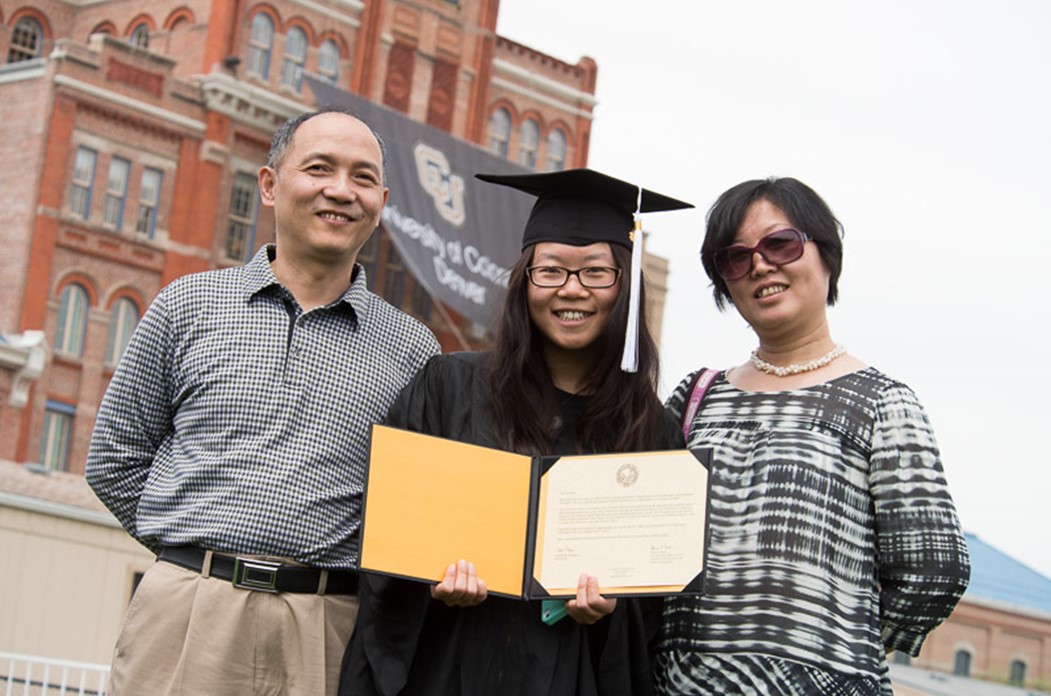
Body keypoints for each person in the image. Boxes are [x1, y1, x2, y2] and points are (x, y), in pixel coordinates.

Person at [85, 106, 440, 695]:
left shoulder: (412, 349)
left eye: (361, 177)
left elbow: (415, 507)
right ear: (271, 185)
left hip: (324, 628)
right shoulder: (188, 305)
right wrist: (191, 558)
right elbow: (114, 459)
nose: (339, 191)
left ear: (382, 200)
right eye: (320, 168)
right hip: (189, 614)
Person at [340, 168, 693, 696]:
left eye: (596, 272)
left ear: (625, 284)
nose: (571, 290)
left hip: (574, 677)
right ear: (524, 280)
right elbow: (385, 539)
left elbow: (659, 612)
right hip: (448, 667)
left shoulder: (652, 431)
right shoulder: (449, 388)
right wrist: (430, 583)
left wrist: (610, 614)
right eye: (550, 271)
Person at [656, 177, 971, 695]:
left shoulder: (881, 403)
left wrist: (835, 645)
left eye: (779, 244)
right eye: (736, 257)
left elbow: (932, 571)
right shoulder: (697, 396)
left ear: (826, 255)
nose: (759, 265)